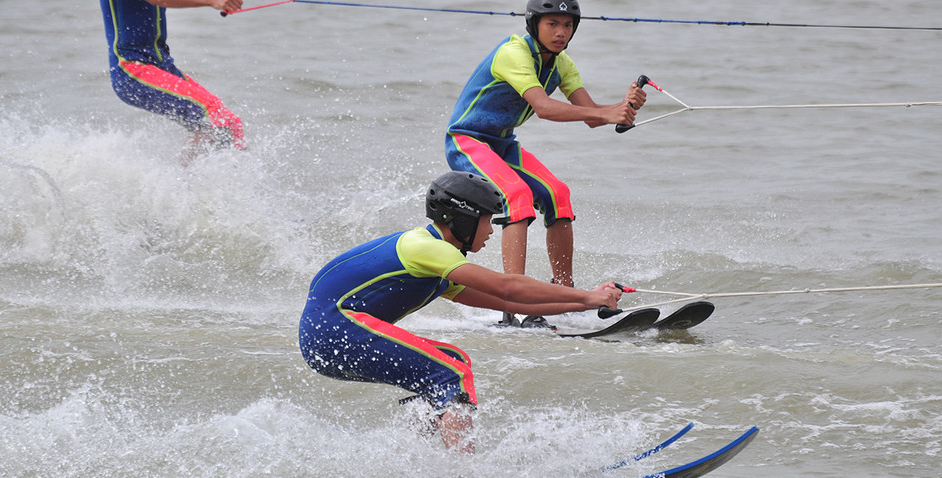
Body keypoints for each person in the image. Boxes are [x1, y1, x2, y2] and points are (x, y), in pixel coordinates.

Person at [298, 172, 623, 452]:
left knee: (449, 369)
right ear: (464, 220)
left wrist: (588, 300)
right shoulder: (424, 247)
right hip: (336, 330)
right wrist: (586, 295)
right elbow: (508, 287)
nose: (491, 231)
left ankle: (415, 462)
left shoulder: (436, 266)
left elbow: (512, 305)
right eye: (487, 221)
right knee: (451, 372)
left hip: (328, 338)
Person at [444, 0, 645, 328]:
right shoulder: (514, 53)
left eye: (567, 25)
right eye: (552, 24)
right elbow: (544, 107)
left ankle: (564, 296)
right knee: (517, 195)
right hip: (467, 140)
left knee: (558, 194)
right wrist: (607, 112)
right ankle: (512, 306)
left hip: (502, 144)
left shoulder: (562, 64)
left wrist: (624, 106)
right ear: (534, 24)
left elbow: (592, 116)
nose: (561, 32)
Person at [99, 0, 246, 161]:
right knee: (217, 118)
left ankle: (189, 182)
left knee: (226, 122)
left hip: (161, 67)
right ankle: (194, 182)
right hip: (132, 70)